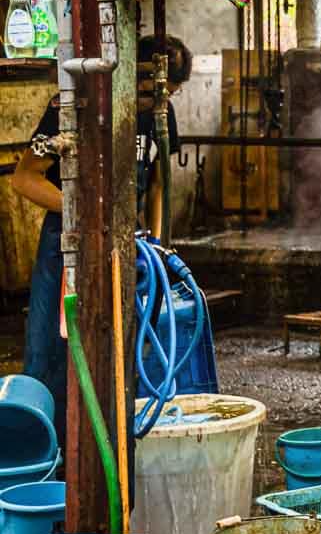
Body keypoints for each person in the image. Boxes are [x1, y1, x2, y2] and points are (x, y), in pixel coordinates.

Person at [11, 34, 190, 447]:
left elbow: (160, 182)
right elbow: (24, 179)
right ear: (127, 72)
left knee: (120, 352)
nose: (156, 101)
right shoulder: (73, 106)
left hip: (129, 245)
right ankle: (44, 450)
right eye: (150, 89)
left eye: (168, 92)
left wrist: (158, 241)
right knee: (51, 351)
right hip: (67, 243)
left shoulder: (161, 115)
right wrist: (87, 215)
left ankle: (108, 445)